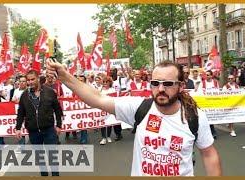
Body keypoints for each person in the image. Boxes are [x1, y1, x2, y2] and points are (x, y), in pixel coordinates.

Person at [46, 59, 222, 176]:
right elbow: (98, 99)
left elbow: (209, 154)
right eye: (155, 83)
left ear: (181, 86)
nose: (160, 89)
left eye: (168, 84)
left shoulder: (195, 117)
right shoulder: (140, 108)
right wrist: (64, 76)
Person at [15, 70, 63, 176]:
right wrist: (18, 128)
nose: (30, 82)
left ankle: (55, 175)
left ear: (38, 78)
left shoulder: (49, 91)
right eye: (28, 80)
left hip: (49, 129)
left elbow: (58, 109)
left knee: (52, 156)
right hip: (33, 131)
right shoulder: (24, 95)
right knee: (40, 157)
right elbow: (20, 113)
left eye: (32, 79)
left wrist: (59, 125)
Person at [198, 70, 219, 139]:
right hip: (205, 103)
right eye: (206, 75)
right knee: (206, 118)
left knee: (211, 118)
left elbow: (218, 92)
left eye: (208, 75)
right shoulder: (202, 83)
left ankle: (212, 132)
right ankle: (211, 132)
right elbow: (200, 93)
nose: (206, 76)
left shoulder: (215, 82)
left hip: (213, 103)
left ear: (211, 75)